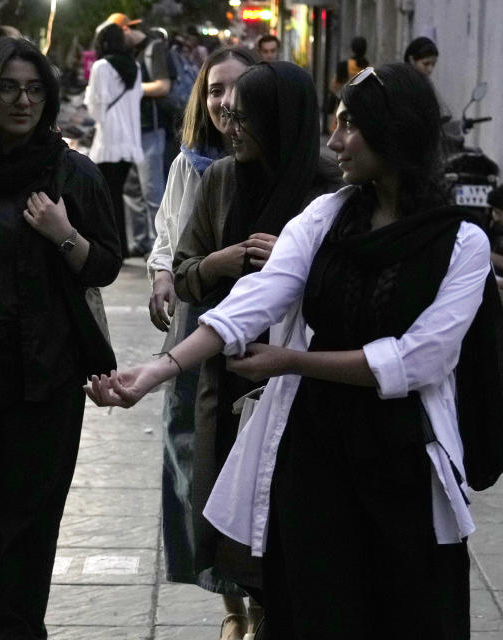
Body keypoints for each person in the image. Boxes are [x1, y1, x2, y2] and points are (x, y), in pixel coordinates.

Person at [87, 63, 489, 639]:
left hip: (403, 458)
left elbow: (419, 359)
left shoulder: (462, 242)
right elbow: (256, 299)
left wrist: (292, 361)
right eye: (334, 122)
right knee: (313, 604)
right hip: (315, 453)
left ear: (392, 131)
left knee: (404, 610)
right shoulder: (327, 216)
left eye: (350, 125)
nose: (334, 140)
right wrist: (157, 370)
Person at [0, 37, 121, 639]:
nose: (23, 101)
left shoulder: (72, 173)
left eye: (35, 89)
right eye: (10, 87)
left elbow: (105, 266)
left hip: (48, 375)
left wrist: (64, 234)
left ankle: (13, 628)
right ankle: (18, 611)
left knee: (33, 520)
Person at [176, 61, 340, 639]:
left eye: (246, 116)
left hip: (303, 379)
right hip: (228, 375)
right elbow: (183, 273)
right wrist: (219, 263)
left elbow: (347, 282)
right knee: (229, 516)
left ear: (280, 120)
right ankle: (245, 611)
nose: (230, 125)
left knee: (288, 516)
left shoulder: (328, 186)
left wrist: (295, 262)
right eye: (227, 113)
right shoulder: (220, 178)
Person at [145, 45, 259, 640]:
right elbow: (169, 234)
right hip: (198, 316)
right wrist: (164, 275)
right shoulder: (191, 164)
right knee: (191, 449)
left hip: (258, 329)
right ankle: (230, 607)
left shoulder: (281, 164)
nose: (225, 103)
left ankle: (255, 592)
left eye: (238, 90)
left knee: (246, 453)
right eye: (214, 90)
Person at [109, 12, 171, 256]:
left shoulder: (154, 48)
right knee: (132, 189)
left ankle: (160, 248)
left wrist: (129, 86)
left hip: (151, 130)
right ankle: (140, 243)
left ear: (126, 29)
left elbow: (163, 86)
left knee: (152, 191)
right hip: (132, 131)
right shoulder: (130, 53)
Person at [85, 22, 143, 258]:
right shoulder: (136, 67)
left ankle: (112, 248)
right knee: (115, 195)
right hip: (129, 140)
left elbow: (95, 108)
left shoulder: (101, 66)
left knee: (106, 198)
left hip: (108, 141)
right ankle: (121, 247)